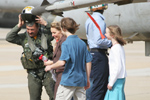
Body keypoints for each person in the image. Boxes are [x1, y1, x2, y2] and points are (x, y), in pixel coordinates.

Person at [6, 6, 54, 100]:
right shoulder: (24, 38)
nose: (30, 32)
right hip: (33, 74)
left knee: (54, 96)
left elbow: (58, 31)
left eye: (32, 30)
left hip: (47, 72)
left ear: (38, 28)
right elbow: (9, 38)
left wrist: (46, 23)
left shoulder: (46, 35)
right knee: (34, 98)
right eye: (28, 29)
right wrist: (19, 26)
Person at [45, 17, 92, 100]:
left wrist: (50, 66)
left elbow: (62, 62)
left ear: (63, 28)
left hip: (68, 80)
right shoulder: (82, 43)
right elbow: (88, 61)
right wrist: (87, 79)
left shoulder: (66, 43)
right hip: (80, 81)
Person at [85, 5, 112, 100]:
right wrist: (111, 43)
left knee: (92, 84)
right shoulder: (99, 21)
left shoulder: (89, 20)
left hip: (92, 53)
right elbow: (98, 41)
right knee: (100, 86)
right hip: (99, 55)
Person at [44, 22, 67, 100]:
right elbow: (59, 58)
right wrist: (50, 62)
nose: (53, 35)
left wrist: (50, 66)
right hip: (59, 74)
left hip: (63, 74)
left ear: (61, 30)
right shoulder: (59, 41)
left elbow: (63, 61)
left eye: (54, 32)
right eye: (52, 33)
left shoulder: (64, 42)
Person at [104, 25, 127, 100]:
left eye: (106, 33)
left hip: (116, 79)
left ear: (112, 35)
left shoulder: (115, 48)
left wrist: (111, 83)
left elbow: (117, 67)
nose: (105, 34)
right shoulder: (119, 47)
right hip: (119, 78)